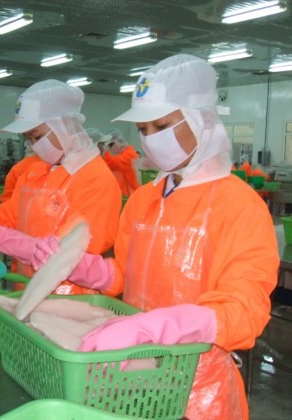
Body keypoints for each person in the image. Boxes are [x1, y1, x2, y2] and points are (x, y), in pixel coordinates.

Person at [32, 54, 279, 419]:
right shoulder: (145, 198)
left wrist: (160, 326)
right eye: (143, 131)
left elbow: (244, 312)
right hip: (131, 372)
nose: (149, 141)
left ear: (201, 123)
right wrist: (82, 268)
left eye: (160, 126)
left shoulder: (238, 205)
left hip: (197, 386)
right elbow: (124, 276)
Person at [0, 79, 122, 295]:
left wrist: (1, 238)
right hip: (24, 286)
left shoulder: (96, 179)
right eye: (29, 138)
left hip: (68, 298)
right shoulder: (35, 172)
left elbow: (72, 254)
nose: (34, 145)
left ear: (65, 126)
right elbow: (7, 219)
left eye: (37, 136)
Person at [102, 129, 140, 196]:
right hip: (119, 195)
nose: (109, 148)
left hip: (130, 196)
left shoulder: (130, 155)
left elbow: (113, 163)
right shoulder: (120, 155)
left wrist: (102, 151)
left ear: (119, 142)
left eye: (110, 145)